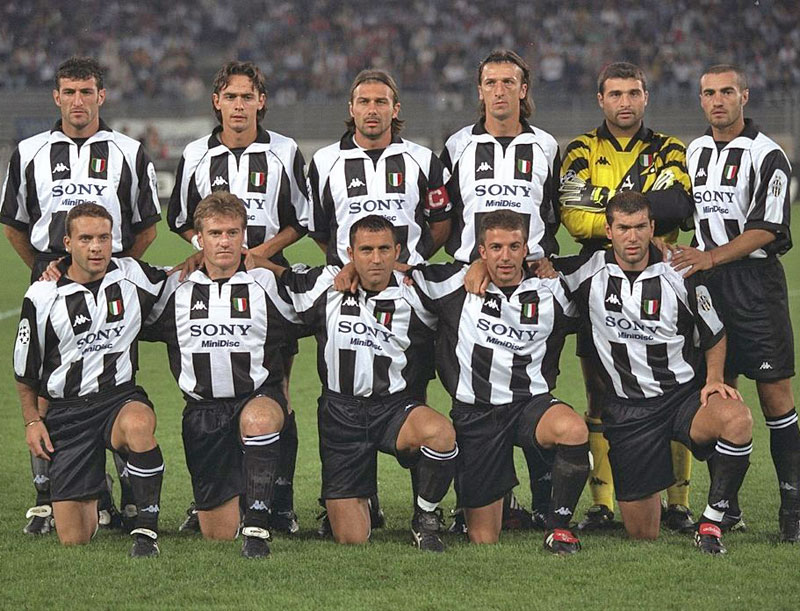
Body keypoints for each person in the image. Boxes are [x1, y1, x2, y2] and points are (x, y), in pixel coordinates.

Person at [1, 56, 161, 536]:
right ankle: (48, 496)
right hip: (54, 281)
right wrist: (43, 270)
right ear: (56, 97)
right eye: (69, 92)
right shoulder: (29, 152)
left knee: (112, 374)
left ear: (101, 96)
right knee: (49, 384)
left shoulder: (129, 152)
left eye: (86, 91)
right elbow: (14, 224)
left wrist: (112, 270)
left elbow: (146, 228)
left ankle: (128, 494)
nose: (77, 101)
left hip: (110, 285)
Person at [560, 191, 753, 554]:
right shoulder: (585, 271)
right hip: (628, 411)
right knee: (642, 533)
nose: (632, 237)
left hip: (681, 399)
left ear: (652, 228)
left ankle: (712, 523)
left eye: (639, 227)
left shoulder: (680, 271)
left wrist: (714, 379)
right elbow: (530, 271)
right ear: (609, 231)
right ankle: (651, 498)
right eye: (623, 228)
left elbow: (714, 332)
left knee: (737, 419)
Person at [306, 68, 452, 533]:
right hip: (347, 291)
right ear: (351, 109)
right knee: (347, 379)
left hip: (405, 296)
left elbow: (441, 223)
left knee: (409, 393)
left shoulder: (423, 160)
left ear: (395, 108)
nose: (372, 110)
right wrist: (350, 264)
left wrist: (404, 264)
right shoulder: (325, 161)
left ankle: (425, 510)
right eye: (364, 102)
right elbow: (321, 229)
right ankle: (357, 494)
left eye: (381, 101)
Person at [168, 60, 310, 535]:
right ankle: (214, 496)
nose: (239, 105)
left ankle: (279, 501)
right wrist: (207, 249)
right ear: (217, 102)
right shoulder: (195, 154)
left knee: (277, 392)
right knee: (210, 387)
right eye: (230, 96)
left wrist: (260, 256)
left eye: (247, 96)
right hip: (214, 273)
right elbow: (180, 218)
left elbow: (300, 218)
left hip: (265, 281)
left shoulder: (284, 151)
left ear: (261, 102)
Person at [559, 62, 696, 532]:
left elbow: (678, 204)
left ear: (645, 97)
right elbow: (573, 214)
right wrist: (634, 214)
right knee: (599, 392)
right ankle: (602, 504)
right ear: (601, 99)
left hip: (661, 276)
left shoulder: (669, 148)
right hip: (599, 280)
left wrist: (607, 204)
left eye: (633, 93)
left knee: (673, 389)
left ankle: (678, 503)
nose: (624, 102)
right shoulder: (581, 148)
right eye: (615, 94)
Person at [268, 215, 458, 551]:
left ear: (397, 251)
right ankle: (361, 499)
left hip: (395, 409)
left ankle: (425, 515)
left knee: (441, 435)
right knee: (351, 538)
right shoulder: (327, 285)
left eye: (384, 249)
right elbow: (276, 274)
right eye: (366, 250)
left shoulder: (417, 289)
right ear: (350, 254)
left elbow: (469, 276)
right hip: (341, 415)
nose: (376, 258)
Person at [670, 64, 799, 541]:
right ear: (701, 100)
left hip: (755, 285)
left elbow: (768, 228)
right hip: (708, 286)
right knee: (717, 391)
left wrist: (710, 256)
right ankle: (728, 507)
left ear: (744, 96)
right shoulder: (695, 151)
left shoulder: (768, 155)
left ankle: (792, 510)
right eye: (709, 93)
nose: (717, 100)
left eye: (727, 91)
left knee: (774, 398)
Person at [411, 210, 590, 553]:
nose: (505, 256)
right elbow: (396, 272)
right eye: (495, 248)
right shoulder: (454, 284)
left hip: (530, 406)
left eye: (513, 247)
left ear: (526, 250)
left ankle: (558, 527)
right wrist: (349, 270)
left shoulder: (551, 290)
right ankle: (500, 501)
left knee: (572, 429)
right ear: (481, 251)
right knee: (484, 537)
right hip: (477, 414)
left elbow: (595, 286)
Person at [440, 49, 562, 530]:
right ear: (480, 90)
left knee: (537, 384)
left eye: (509, 82)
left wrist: (541, 258)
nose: (499, 90)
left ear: (523, 89)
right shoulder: (457, 146)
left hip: (530, 282)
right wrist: (474, 260)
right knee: (472, 390)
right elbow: (444, 217)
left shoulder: (547, 145)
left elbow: (553, 214)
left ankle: (544, 500)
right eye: (490, 82)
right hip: (472, 283)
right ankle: (477, 498)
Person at [146, 193, 297, 558]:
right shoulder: (173, 287)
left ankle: (259, 522)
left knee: (260, 420)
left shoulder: (267, 283)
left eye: (233, 232)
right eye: (215, 233)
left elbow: (317, 304)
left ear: (244, 235)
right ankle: (245, 498)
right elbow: (112, 288)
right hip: (203, 415)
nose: (225, 241)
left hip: (256, 398)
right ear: (199, 238)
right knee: (217, 534)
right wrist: (58, 267)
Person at [13, 203, 166, 557]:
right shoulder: (42, 295)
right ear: (68, 243)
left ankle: (146, 530)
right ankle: (98, 488)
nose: (96, 247)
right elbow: (25, 371)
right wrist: (32, 421)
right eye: (85, 239)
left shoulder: (132, 275)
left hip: (118, 400)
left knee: (139, 424)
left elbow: (185, 277)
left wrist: (204, 257)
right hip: (68, 412)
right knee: (74, 537)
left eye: (103, 238)